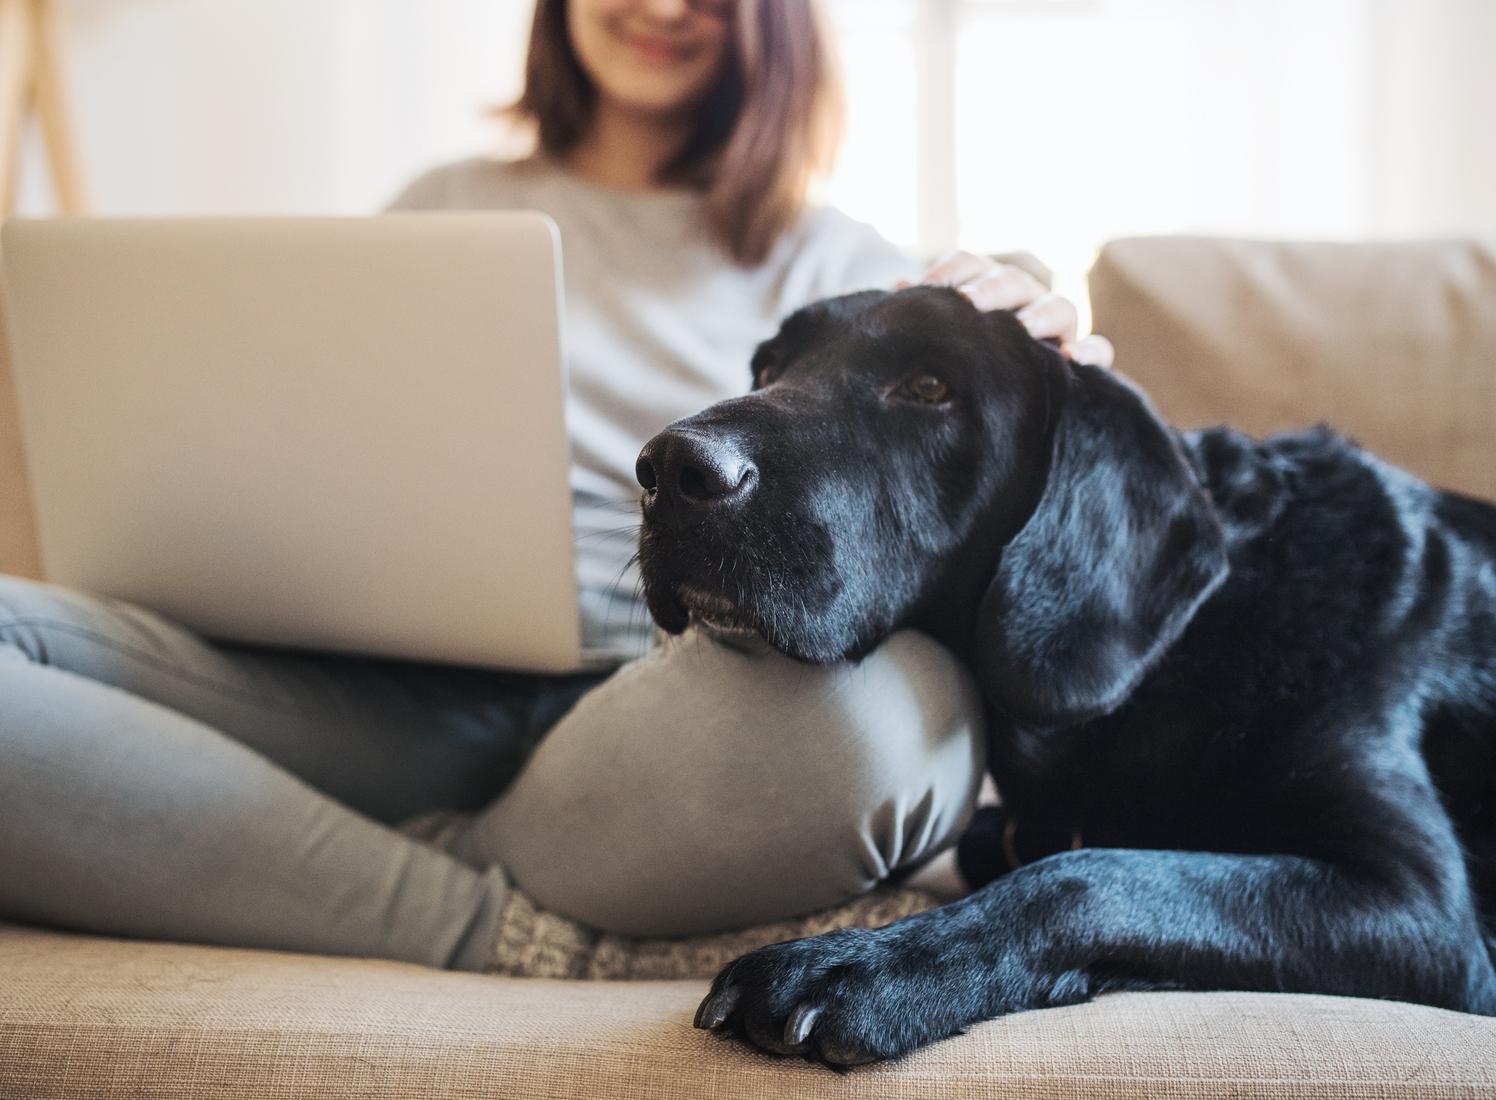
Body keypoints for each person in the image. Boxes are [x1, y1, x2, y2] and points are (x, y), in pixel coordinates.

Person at [0, 0, 1112, 974]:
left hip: (666, 715)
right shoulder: (441, 204)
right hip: (383, 687)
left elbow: (1006, 465)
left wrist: (1046, 342)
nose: (665, 6)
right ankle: (490, 921)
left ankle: (271, 847)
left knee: (882, 727)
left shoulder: (837, 266)